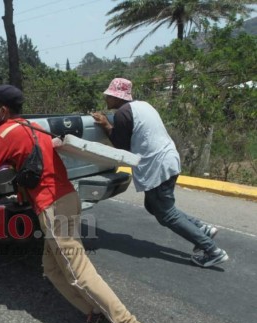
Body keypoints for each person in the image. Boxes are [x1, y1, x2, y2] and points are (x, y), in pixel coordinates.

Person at [0, 84, 164, 323]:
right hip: (68, 199)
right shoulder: (35, 127)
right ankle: (94, 313)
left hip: (52, 208)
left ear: (3, 110)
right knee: (52, 268)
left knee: (79, 272)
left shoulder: (2, 134)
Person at [91, 78, 228, 268]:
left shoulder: (123, 113)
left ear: (116, 96)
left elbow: (121, 145)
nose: (106, 96)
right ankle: (202, 228)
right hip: (168, 159)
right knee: (153, 206)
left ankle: (212, 250)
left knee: (166, 214)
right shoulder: (141, 106)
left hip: (157, 166)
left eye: (108, 94)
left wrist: (105, 124)